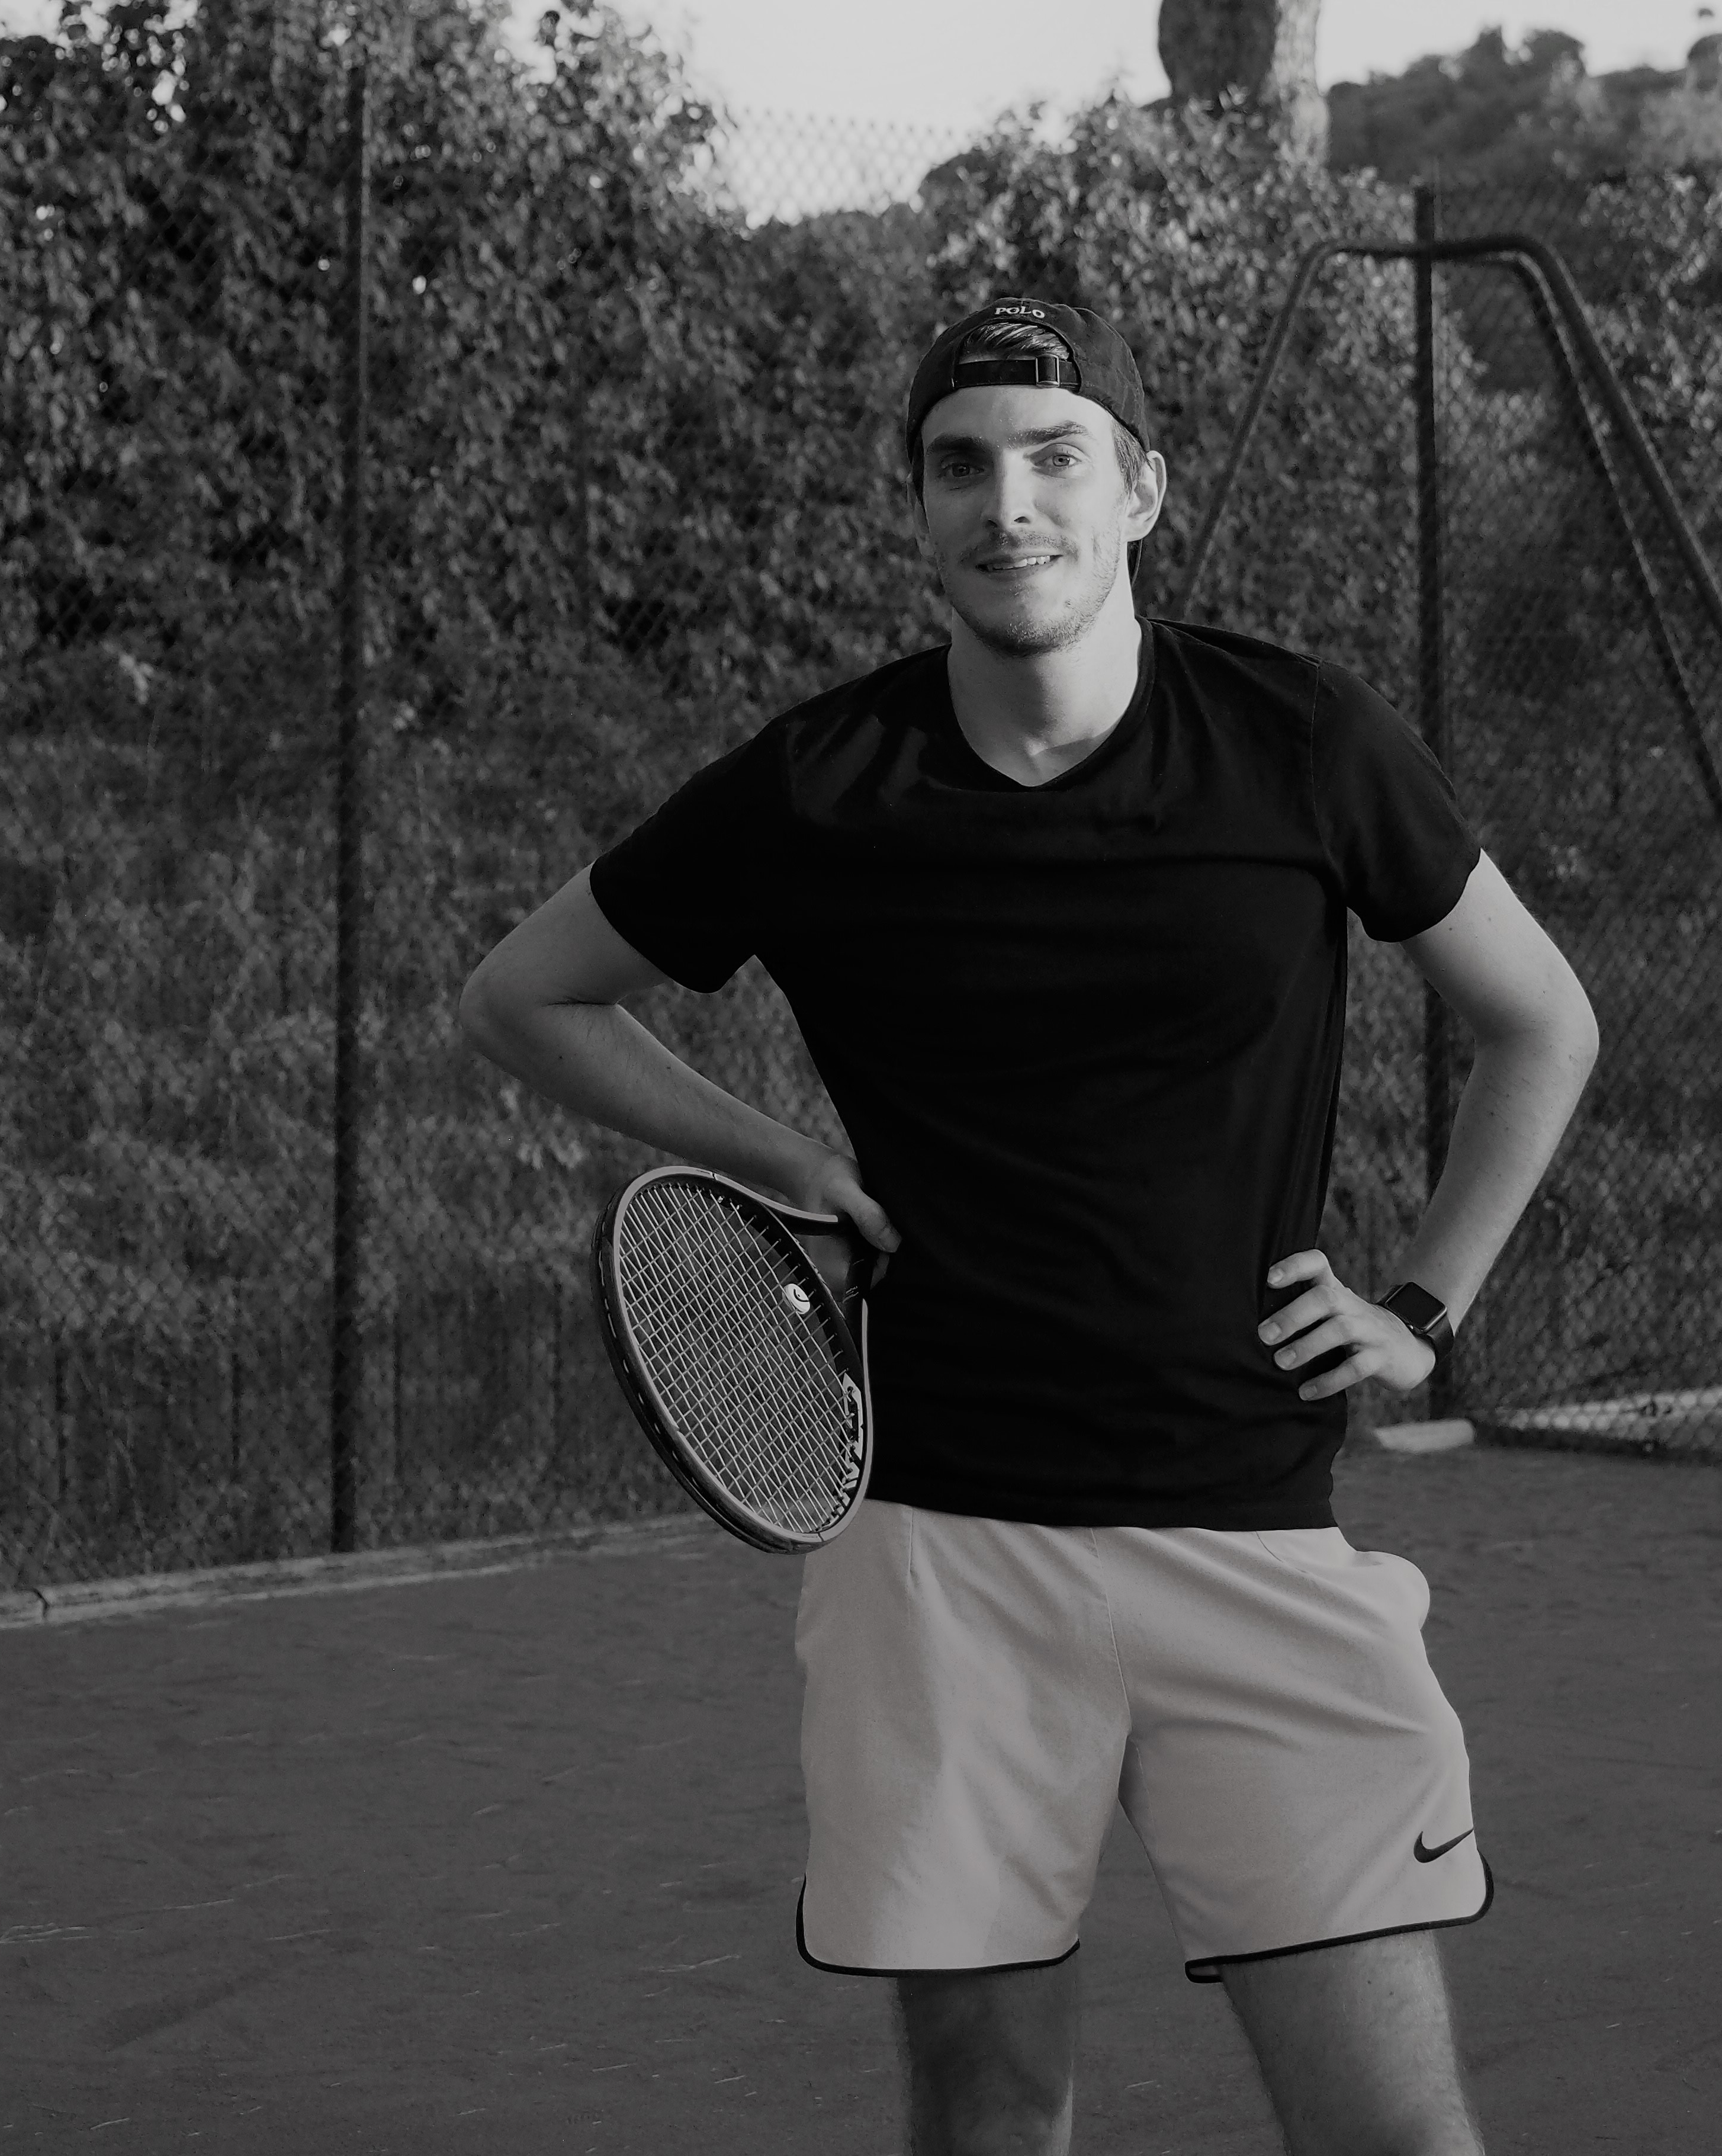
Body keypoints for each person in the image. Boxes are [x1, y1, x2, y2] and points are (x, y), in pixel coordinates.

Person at [459, 298, 1599, 2156]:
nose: (1009, 504)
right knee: (989, 2120)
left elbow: (1541, 1020)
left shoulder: (1300, 740)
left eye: (1056, 458)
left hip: (1252, 1527)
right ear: (918, 507)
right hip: (937, 1552)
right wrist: (771, 1151)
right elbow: (522, 995)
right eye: (962, 464)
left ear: (1138, 491)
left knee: (1396, 2133)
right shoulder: (823, 782)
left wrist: (1427, 1302)